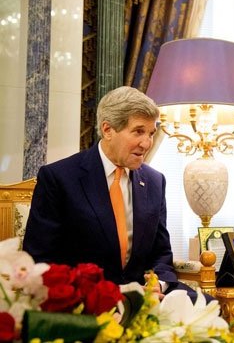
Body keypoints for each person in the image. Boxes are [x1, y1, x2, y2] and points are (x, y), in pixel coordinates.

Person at [23, 86, 207, 303]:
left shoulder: (155, 181)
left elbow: (161, 253)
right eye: (138, 131)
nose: (147, 143)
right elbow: (40, 260)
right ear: (108, 130)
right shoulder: (59, 178)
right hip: (86, 300)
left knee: (210, 307)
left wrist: (157, 283)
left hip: (146, 297)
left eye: (151, 133)